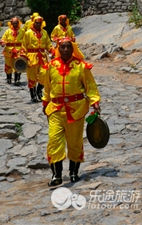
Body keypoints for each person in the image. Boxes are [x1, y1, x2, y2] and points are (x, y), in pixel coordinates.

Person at [43, 37, 101, 186]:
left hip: (76, 110)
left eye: (68, 47)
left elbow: (90, 86)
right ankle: (56, 175)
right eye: (62, 47)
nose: (65, 49)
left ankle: (74, 172)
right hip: (55, 109)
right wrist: (45, 102)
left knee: (75, 142)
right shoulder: (51, 66)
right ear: (58, 49)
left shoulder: (81, 66)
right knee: (54, 141)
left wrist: (94, 101)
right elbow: (47, 87)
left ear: (73, 48)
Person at [23, 14, 51, 102]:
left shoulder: (45, 32)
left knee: (44, 74)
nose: (38, 24)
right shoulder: (28, 33)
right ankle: (33, 95)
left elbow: (48, 44)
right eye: (37, 23)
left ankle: (39, 90)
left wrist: (52, 50)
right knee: (32, 77)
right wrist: (23, 55)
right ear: (33, 23)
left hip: (42, 57)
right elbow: (24, 46)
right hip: (31, 57)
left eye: (40, 23)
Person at [0, 17, 25, 86]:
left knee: (18, 64)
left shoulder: (22, 31)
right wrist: (2, 43)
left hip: (18, 50)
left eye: (16, 23)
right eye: (14, 23)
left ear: (18, 23)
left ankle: (17, 79)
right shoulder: (8, 31)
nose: (15, 25)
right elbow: (3, 39)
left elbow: (26, 40)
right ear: (11, 23)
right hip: (9, 51)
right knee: (8, 65)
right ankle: (9, 78)